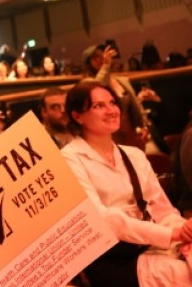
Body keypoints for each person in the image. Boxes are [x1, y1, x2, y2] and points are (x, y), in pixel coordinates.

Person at [62, 80, 192, 287]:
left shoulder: (135, 155)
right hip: (112, 258)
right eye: (98, 106)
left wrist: (183, 229)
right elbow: (103, 219)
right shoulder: (69, 159)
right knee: (181, 274)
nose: (111, 110)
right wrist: (171, 234)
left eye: (112, 103)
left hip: (151, 244)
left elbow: (162, 210)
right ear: (77, 116)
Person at [84, 44, 158, 151]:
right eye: (96, 57)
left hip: (132, 135)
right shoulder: (87, 84)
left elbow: (135, 106)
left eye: (102, 55)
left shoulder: (122, 81)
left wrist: (144, 126)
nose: (102, 59)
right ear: (88, 63)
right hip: (111, 139)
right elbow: (95, 88)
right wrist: (105, 66)